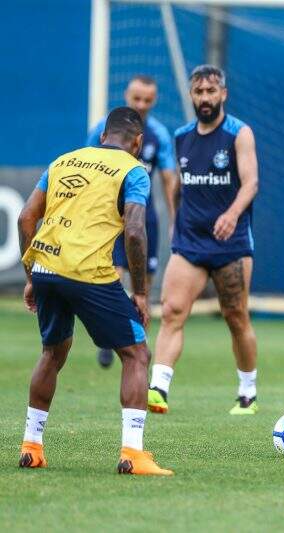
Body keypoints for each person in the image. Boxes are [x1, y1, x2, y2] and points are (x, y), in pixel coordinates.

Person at [17, 107, 172, 475]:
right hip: (88, 271)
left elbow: (26, 217)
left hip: (46, 266)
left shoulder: (63, 161)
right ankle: (133, 454)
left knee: (52, 353)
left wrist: (31, 276)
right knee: (136, 353)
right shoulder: (133, 170)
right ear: (137, 142)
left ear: (103, 135)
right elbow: (135, 231)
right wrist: (140, 292)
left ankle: (31, 445)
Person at [147, 65, 260, 416]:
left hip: (231, 244)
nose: (205, 98)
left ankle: (247, 392)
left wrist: (231, 214)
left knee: (235, 316)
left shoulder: (238, 133)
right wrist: (174, 219)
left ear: (223, 94)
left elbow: (251, 183)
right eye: (199, 92)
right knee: (172, 311)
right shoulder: (181, 136)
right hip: (190, 241)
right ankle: (158, 388)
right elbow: (178, 185)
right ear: (191, 96)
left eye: (211, 91)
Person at [87, 75, 178, 369]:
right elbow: (85, 167)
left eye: (147, 100)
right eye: (136, 98)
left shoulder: (158, 135)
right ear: (126, 94)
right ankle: (107, 339)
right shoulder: (103, 130)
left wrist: (175, 220)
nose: (141, 105)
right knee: (112, 279)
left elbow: (168, 178)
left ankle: (139, 344)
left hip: (144, 217)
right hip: (110, 218)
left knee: (144, 286)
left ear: (154, 100)